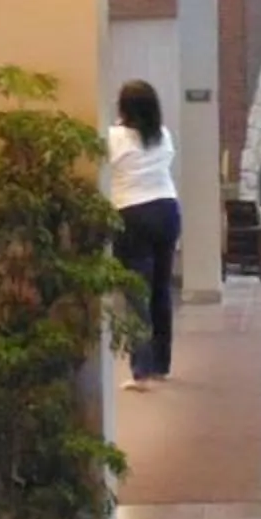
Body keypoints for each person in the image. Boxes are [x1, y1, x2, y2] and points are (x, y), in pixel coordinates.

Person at [106, 79, 181, 390]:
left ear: (123, 107)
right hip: (167, 209)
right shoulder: (162, 135)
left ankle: (141, 369)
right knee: (161, 290)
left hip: (132, 213)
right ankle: (161, 364)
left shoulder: (114, 136)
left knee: (137, 293)